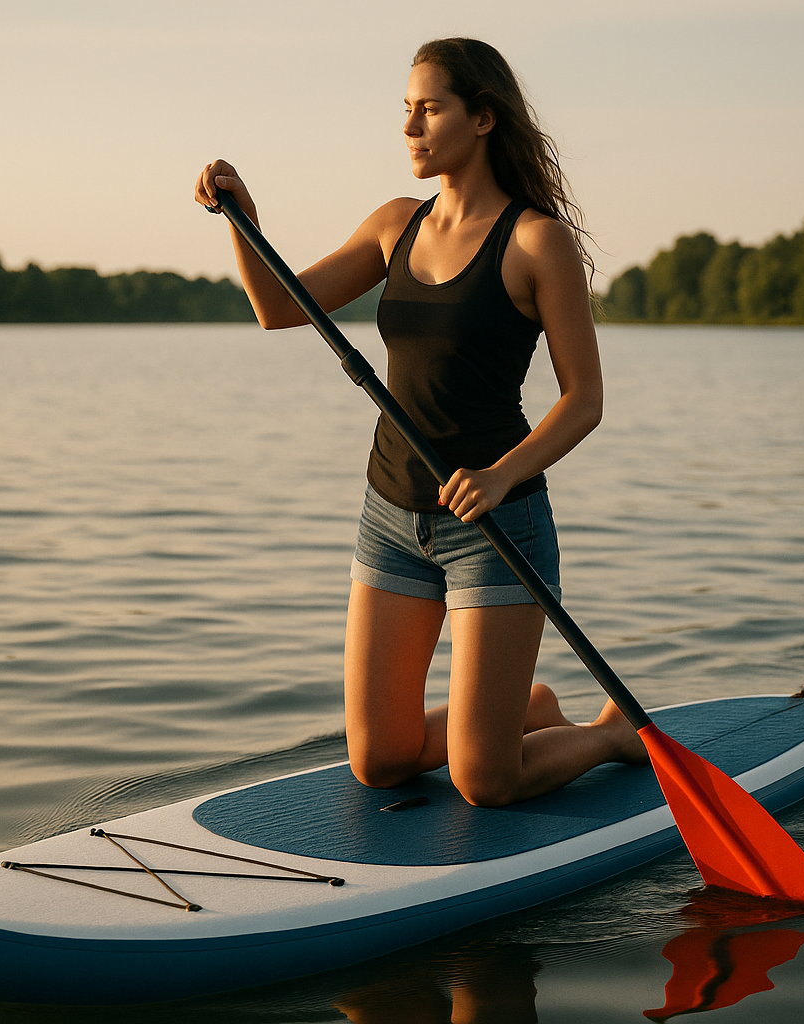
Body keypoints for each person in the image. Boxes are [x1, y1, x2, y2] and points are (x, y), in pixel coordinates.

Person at [194, 37, 644, 808]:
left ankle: (609, 733)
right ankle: (526, 709)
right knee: (380, 760)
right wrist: (242, 219)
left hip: (495, 526)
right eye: (406, 109)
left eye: (429, 109)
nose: (410, 127)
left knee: (484, 782)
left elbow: (584, 400)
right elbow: (276, 309)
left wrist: (500, 475)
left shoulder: (535, 241)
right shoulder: (395, 225)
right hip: (389, 517)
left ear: (483, 118)